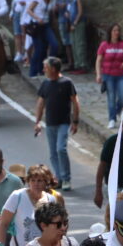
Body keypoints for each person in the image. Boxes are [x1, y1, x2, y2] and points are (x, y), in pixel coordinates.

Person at [33, 57, 79, 191]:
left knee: (61, 149)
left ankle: (66, 178)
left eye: (45, 67)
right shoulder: (45, 84)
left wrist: (75, 121)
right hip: (50, 123)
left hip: (63, 123)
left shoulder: (67, 83)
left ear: (53, 69)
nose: (44, 70)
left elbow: (75, 102)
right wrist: (37, 122)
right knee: (53, 153)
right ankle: (58, 178)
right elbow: (40, 103)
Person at [0, 164, 60, 246]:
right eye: (32, 180)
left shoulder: (51, 200)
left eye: (39, 180)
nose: (36, 184)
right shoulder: (17, 196)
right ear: (28, 181)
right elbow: (3, 224)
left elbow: (56, 228)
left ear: (46, 182)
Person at [95, 23, 123, 128]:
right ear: (110, 32)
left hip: (121, 75)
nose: (116, 32)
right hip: (108, 75)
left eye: (118, 30)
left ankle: (117, 111)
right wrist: (98, 74)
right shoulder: (104, 45)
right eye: (114, 30)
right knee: (111, 97)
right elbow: (98, 60)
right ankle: (112, 118)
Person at [64, 0, 87, 73]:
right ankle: (77, 64)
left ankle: (82, 65)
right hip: (71, 23)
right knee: (73, 44)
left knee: (79, 44)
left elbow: (80, 11)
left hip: (78, 23)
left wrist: (75, 23)